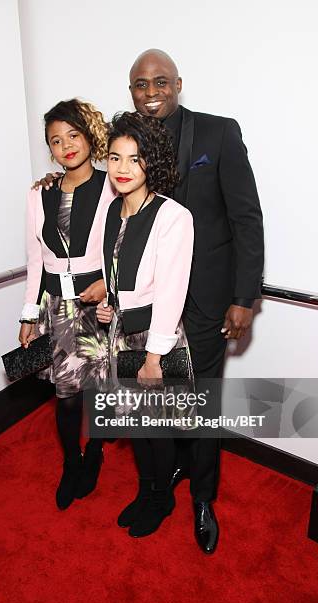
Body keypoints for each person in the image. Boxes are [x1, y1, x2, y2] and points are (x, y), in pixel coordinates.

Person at [127, 49, 265, 553]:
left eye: (160, 81)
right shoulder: (128, 141)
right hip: (146, 300)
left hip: (207, 298)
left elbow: (247, 217)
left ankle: (203, 497)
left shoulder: (218, 132)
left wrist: (245, 296)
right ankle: (163, 482)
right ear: (131, 91)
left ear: (178, 83)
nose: (151, 92)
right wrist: (56, 183)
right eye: (141, 84)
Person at [96, 112, 194, 538]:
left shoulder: (173, 216)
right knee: (137, 425)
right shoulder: (112, 210)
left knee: (157, 427)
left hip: (156, 338)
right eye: (115, 158)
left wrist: (154, 358)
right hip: (121, 333)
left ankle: (162, 499)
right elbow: (115, 273)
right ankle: (146, 490)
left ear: (151, 162)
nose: (121, 169)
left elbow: (171, 292)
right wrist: (111, 307)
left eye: (134, 160)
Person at [19, 99, 115, 511]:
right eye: (56, 141)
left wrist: (108, 287)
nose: (66, 146)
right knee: (66, 395)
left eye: (73, 135)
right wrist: (27, 315)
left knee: (97, 389)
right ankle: (71, 461)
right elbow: (34, 259)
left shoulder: (113, 184)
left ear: (88, 137)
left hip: (98, 307)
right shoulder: (40, 192)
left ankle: (94, 450)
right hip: (56, 307)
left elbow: (125, 246)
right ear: (50, 150)